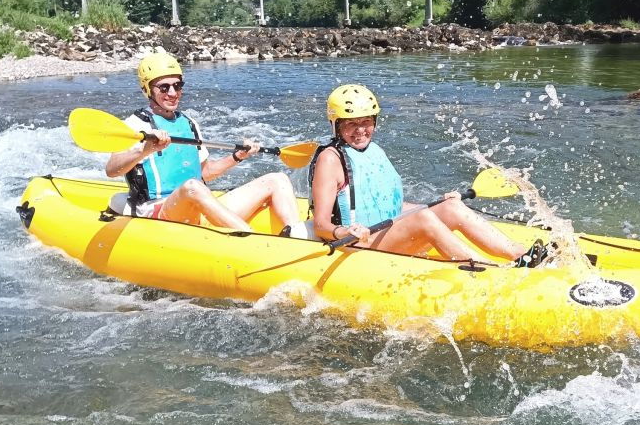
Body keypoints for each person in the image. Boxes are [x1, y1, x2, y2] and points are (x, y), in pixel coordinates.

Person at [309, 84, 545, 266]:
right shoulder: (330, 159)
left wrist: (435, 206)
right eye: (351, 124)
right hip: (361, 243)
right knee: (424, 219)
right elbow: (321, 225)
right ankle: (487, 268)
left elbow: (382, 203)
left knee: (450, 206)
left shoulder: (373, 150)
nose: (361, 130)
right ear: (337, 125)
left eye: (367, 122)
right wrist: (344, 232)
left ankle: (520, 254)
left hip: (385, 231)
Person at [106, 51, 303, 235]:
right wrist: (145, 150)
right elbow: (112, 170)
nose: (173, 93)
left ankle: (297, 237)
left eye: (178, 85)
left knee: (277, 179)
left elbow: (205, 173)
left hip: (196, 208)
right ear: (147, 90)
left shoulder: (189, 123)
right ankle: (251, 239)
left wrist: (237, 157)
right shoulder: (134, 125)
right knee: (192, 186)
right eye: (164, 87)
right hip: (160, 212)